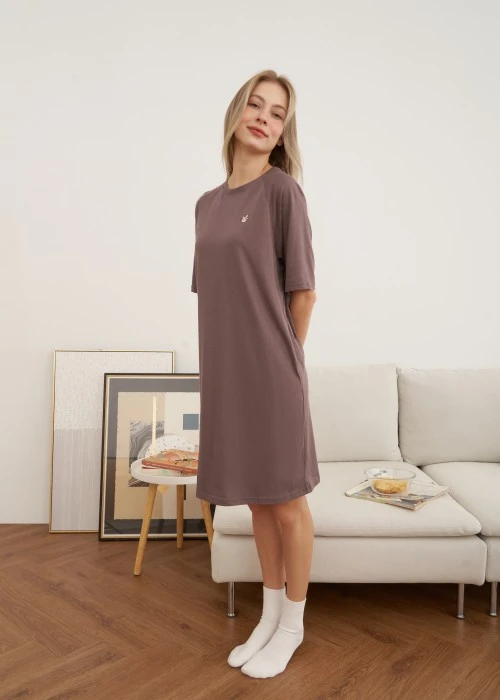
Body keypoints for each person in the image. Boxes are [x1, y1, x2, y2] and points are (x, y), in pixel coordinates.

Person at [191, 69, 319, 679]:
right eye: (256, 105)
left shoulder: (282, 193)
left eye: (277, 113)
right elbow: (217, 298)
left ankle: (292, 625)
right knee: (258, 505)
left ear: (283, 132)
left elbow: (304, 293)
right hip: (227, 376)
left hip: (273, 372)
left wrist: (284, 361)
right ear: (237, 111)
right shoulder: (206, 205)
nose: (265, 118)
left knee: (287, 504)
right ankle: (268, 617)